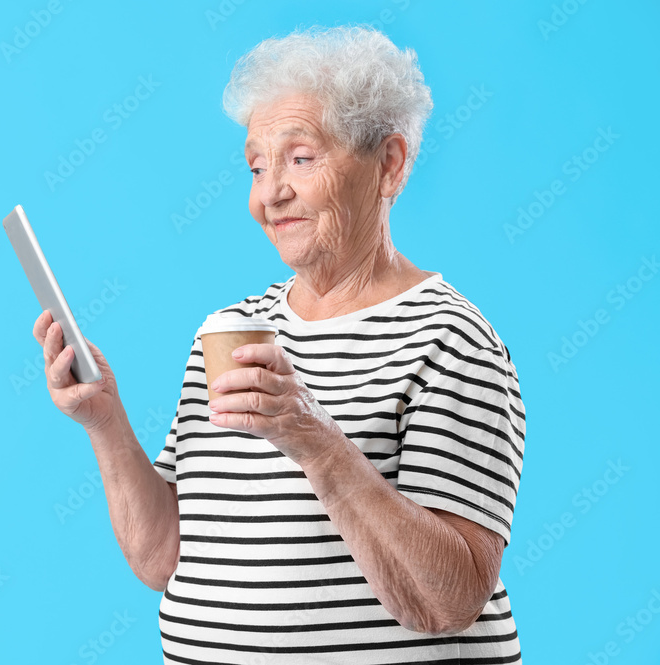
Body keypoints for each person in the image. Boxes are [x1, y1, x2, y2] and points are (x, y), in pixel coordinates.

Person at [33, 25, 525, 664]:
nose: (270, 194)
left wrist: (311, 436)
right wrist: (105, 422)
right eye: (257, 166)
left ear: (389, 163)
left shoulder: (450, 340)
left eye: (301, 157)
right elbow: (161, 557)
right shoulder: (228, 331)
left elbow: (448, 601)